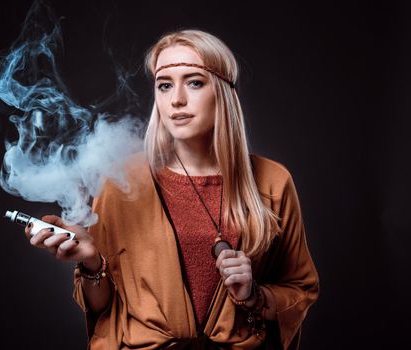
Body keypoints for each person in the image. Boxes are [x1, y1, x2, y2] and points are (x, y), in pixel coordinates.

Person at [25, 29, 319, 349]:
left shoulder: (272, 182)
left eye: (194, 82)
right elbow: (104, 309)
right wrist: (92, 262)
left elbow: (299, 289)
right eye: (165, 85)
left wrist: (254, 296)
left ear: (222, 91)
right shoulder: (122, 182)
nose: (176, 99)